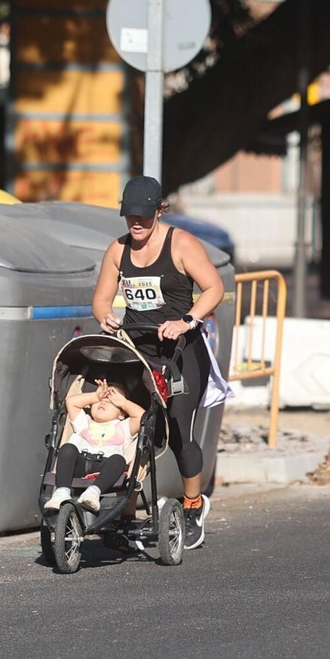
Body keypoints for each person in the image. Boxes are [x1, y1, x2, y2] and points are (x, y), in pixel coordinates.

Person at [92, 176, 225, 549]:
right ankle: (127, 512)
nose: (136, 223)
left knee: (179, 429)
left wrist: (187, 320)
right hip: (138, 351)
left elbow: (214, 287)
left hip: (181, 351)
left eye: (143, 217)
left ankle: (193, 504)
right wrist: (105, 315)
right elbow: (101, 299)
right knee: (134, 428)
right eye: (129, 216)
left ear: (158, 211)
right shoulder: (117, 250)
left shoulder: (180, 243)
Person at [45, 380, 145, 513]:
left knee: (118, 460)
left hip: (104, 470)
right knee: (67, 448)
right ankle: (61, 492)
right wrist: (95, 396)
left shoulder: (123, 427)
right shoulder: (84, 422)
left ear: (122, 414)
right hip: (78, 465)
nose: (103, 402)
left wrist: (123, 402)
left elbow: (142, 417)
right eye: (99, 401)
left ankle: (93, 492)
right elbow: (71, 403)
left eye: (110, 402)